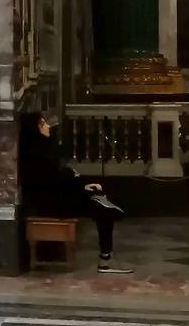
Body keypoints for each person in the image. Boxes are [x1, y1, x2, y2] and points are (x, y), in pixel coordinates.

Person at [19, 112, 130, 274]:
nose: (48, 126)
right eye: (42, 124)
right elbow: (50, 181)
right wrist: (74, 179)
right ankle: (106, 260)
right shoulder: (33, 153)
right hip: (48, 203)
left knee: (97, 196)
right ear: (34, 129)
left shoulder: (42, 147)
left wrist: (79, 182)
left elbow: (56, 176)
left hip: (56, 195)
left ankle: (104, 207)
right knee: (101, 209)